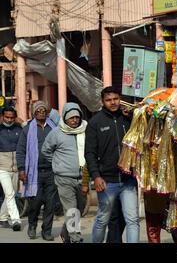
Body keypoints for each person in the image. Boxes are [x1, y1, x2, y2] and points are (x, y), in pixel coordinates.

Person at [85, 86, 139, 243]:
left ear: (120, 98)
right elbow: (89, 153)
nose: (113, 102)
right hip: (107, 181)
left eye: (115, 99)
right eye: (109, 100)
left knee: (132, 220)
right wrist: (96, 176)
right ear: (103, 101)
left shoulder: (128, 119)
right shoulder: (95, 122)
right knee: (103, 219)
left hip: (128, 179)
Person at [41, 103, 88, 243]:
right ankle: (75, 238)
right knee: (71, 209)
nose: (74, 120)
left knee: (78, 209)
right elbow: (45, 150)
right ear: (65, 118)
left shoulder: (86, 130)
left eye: (77, 117)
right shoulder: (56, 132)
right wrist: (58, 163)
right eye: (71, 117)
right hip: (64, 178)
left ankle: (65, 232)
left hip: (83, 177)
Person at [16, 101, 57, 240]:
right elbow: (21, 150)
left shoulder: (53, 128)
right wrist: (21, 169)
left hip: (52, 171)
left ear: (46, 113)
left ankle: (46, 231)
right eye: (38, 111)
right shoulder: (27, 129)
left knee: (50, 204)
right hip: (34, 173)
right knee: (36, 202)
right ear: (34, 113)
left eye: (43, 110)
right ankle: (32, 226)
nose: (41, 113)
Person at [0, 107, 23, 231]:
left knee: (12, 194)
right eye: (6, 117)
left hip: (16, 168)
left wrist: (22, 122)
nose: (9, 120)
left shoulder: (19, 128)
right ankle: (15, 220)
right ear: (2, 116)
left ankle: (3, 217)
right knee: (9, 194)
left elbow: (29, 133)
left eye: (12, 117)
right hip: (2, 168)